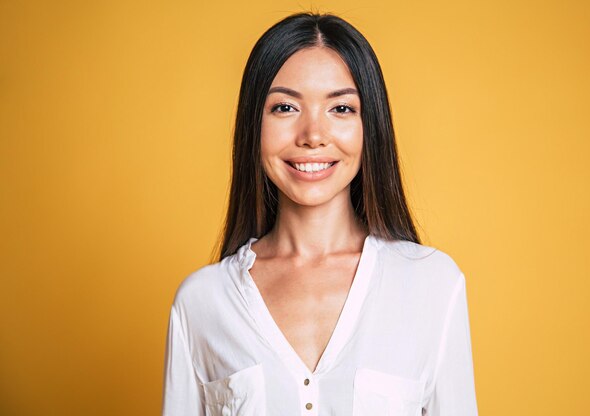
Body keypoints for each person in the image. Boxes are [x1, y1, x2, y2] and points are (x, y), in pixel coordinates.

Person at [162, 11, 478, 416]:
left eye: (341, 109)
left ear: (371, 126)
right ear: (252, 125)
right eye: (285, 107)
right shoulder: (202, 303)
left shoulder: (433, 285)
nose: (312, 135)